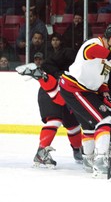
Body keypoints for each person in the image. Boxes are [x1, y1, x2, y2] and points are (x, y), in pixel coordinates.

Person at [59, 23, 111, 179]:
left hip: (86, 90)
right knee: (104, 120)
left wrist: (106, 96)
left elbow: (102, 80)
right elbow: (91, 52)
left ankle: (89, 160)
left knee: (90, 124)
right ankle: (101, 161)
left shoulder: (108, 58)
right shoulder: (93, 44)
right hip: (74, 87)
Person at [15, 33, 82, 168]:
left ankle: (77, 150)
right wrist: (58, 74)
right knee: (55, 120)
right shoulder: (70, 54)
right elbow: (47, 65)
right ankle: (43, 152)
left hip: (63, 91)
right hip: (53, 89)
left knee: (73, 123)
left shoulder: (76, 58)